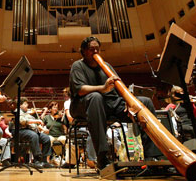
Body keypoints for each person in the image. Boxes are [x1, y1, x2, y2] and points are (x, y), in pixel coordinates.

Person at [69, 36, 162, 171]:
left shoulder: (107, 66)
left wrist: (128, 100)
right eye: (91, 49)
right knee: (96, 97)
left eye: (97, 48)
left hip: (110, 104)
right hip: (84, 105)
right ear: (83, 51)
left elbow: (120, 87)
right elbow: (80, 90)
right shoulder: (78, 66)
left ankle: (152, 157)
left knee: (145, 102)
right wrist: (102, 88)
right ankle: (102, 158)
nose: (95, 51)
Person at [18, 97, 54, 168]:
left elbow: (35, 123)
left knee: (46, 138)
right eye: (25, 103)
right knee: (34, 135)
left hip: (30, 131)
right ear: (20, 105)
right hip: (21, 131)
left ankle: (44, 161)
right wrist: (36, 121)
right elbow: (22, 121)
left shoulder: (27, 114)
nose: (27, 105)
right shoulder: (18, 111)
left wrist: (39, 125)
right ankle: (37, 160)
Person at [41, 101, 67, 166]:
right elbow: (41, 125)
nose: (56, 109)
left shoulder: (60, 117)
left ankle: (66, 159)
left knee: (66, 140)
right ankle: (47, 160)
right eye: (54, 107)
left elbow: (65, 128)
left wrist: (63, 117)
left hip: (60, 135)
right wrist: (44, 129)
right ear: (50, 109)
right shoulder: (47, 117)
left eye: (57, 107)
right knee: (48, 140)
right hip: (51, 135)